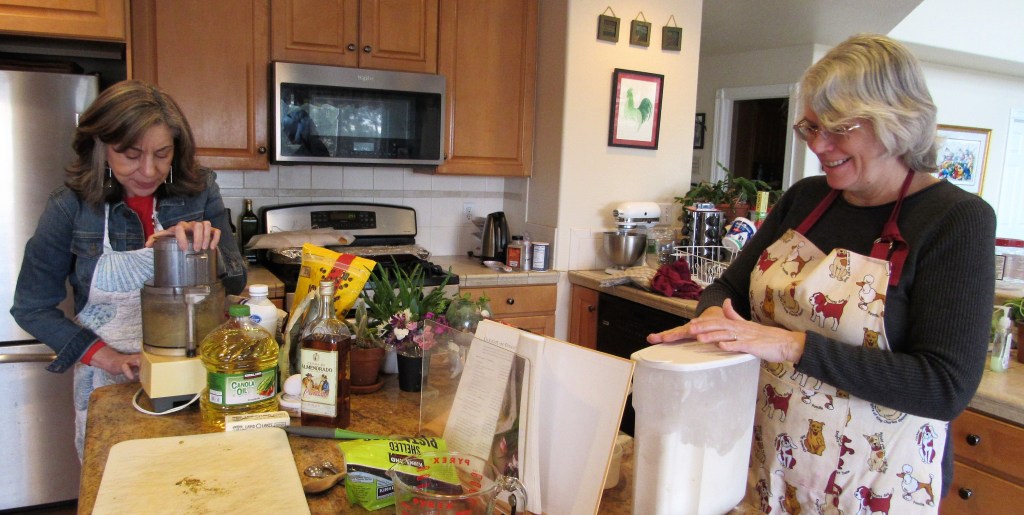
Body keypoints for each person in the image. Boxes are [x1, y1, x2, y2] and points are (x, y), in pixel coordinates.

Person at [649, 34, 995, 513]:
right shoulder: (807, 198)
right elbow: (729, 288)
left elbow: (945, 386)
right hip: (767, 462)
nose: (818, 145)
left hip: (873, 485)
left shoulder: (956, 220)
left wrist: (792, 345)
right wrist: (713, 322)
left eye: (838, 128)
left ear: (895, 120)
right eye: (810, 127)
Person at [10, 80, 246, 459]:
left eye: (162, 154)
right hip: (110, 384)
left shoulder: (198, 192)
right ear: (101, 146)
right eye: (131, 155)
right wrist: (106, 357)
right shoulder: (70, 207)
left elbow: (236, 280)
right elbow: (31, 307)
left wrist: (205, 251)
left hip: (198, 378)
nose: (149, 170)